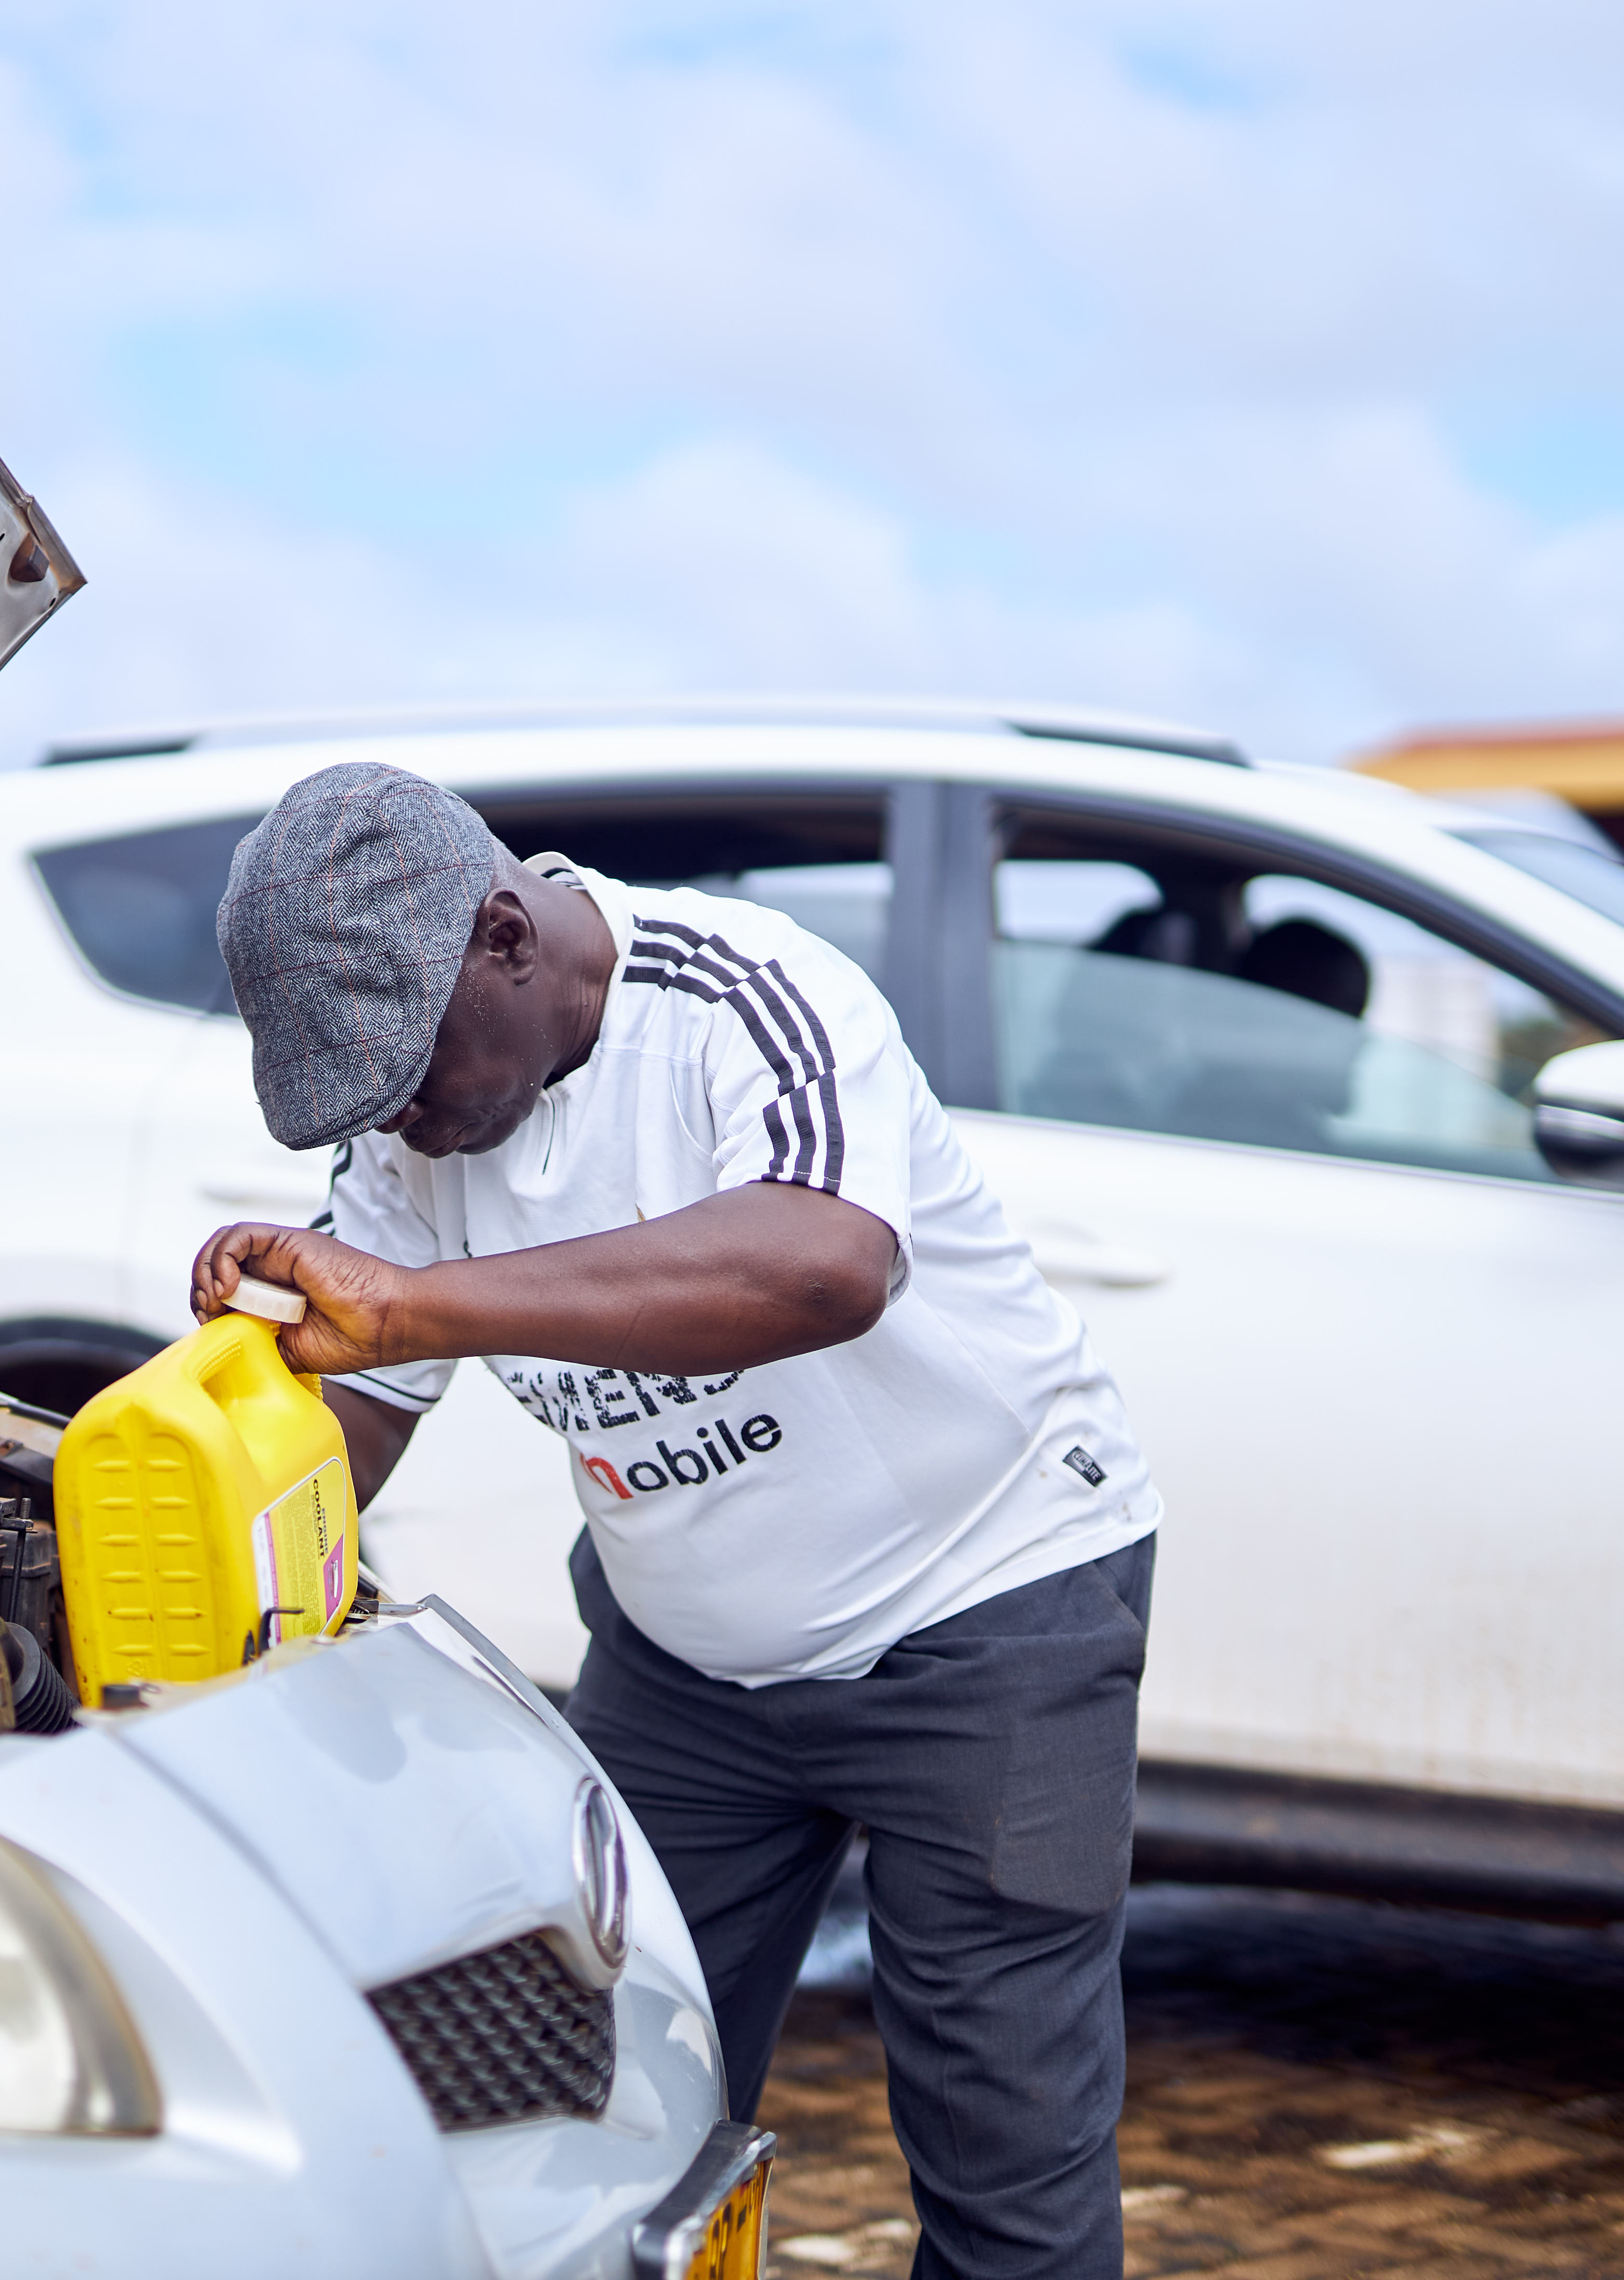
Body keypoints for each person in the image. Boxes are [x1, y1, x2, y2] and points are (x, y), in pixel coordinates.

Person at [188, 762, 1164, 2277]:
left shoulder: (745, 995)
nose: (407, 1128)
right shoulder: (412, 1132)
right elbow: (359, 1409)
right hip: (690, 1668)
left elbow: (823, 1266)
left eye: (410, 1074)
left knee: (1004, 2177)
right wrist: (205, 1484)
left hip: (985, 1620)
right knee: (593, 2123)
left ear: (506, 936)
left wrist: (418, 1304)